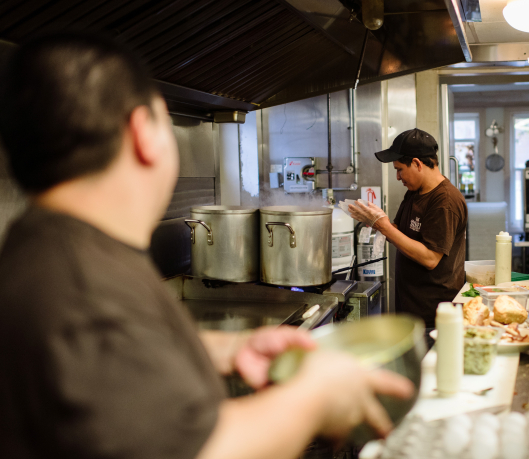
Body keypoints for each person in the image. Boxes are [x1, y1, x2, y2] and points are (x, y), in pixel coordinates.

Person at [0, 34, 412, 459]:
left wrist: (225, 349)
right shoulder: (81, 283)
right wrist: (316, 394)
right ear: (143, 132)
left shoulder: (52, 247)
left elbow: (102, 365)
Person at [349, 129, 467, 328]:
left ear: (417, 164)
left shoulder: (445, 201)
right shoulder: (414, 192)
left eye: (399, 169)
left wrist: (385, 227)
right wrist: (375, 220)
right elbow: (401, 232)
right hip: (411, 307)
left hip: (434, 314)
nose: (397, 177)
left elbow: (431, 258)